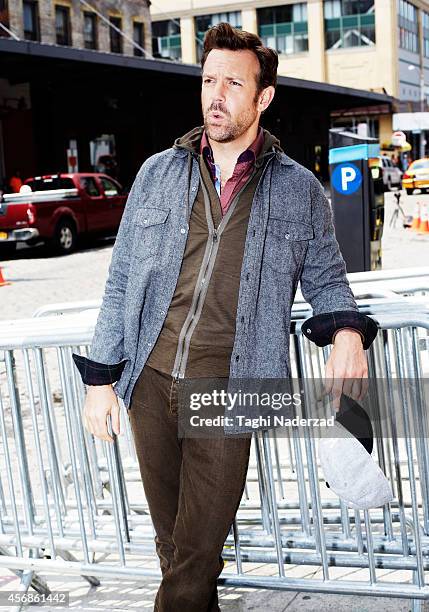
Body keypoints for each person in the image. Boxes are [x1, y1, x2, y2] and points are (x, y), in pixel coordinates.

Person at [72, 23, 378, 611]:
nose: (216, 94)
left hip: (234, 388)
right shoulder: (158, 173)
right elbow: (121, 279)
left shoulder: (300, 192)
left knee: (197, 552)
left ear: (262, 98)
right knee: (176, 547)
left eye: (233, 83)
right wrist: (101, 379)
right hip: (150, 379)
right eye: (209, 79)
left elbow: (327, 277)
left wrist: (345, 330)